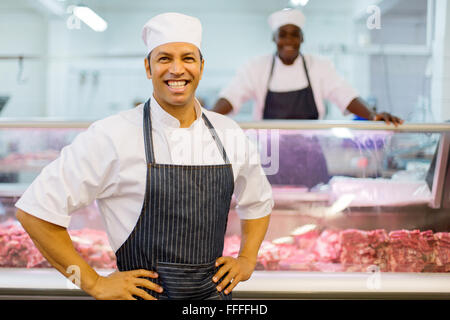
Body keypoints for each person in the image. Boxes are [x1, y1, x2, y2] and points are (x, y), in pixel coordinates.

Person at [15, 12, 273, 300]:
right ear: (148, 68)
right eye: (164, 59)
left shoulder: (229, 133)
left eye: (187, 58)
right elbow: (34, 210)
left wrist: (247, 259)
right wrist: (92, 283)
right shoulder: (111, 135)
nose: (177, 69)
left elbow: (258, 201)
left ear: (201, 66)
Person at [213, 8, 403, 126]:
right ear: (274, 38)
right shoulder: (256, 67)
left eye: (294, 34)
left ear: (302, 38)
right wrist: (208, 118)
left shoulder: (319, 66)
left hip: (311, 148)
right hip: (269, 152)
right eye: (283, 34)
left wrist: (371, 115)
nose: (289, 40)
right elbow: (232, 95)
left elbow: (344, 94)